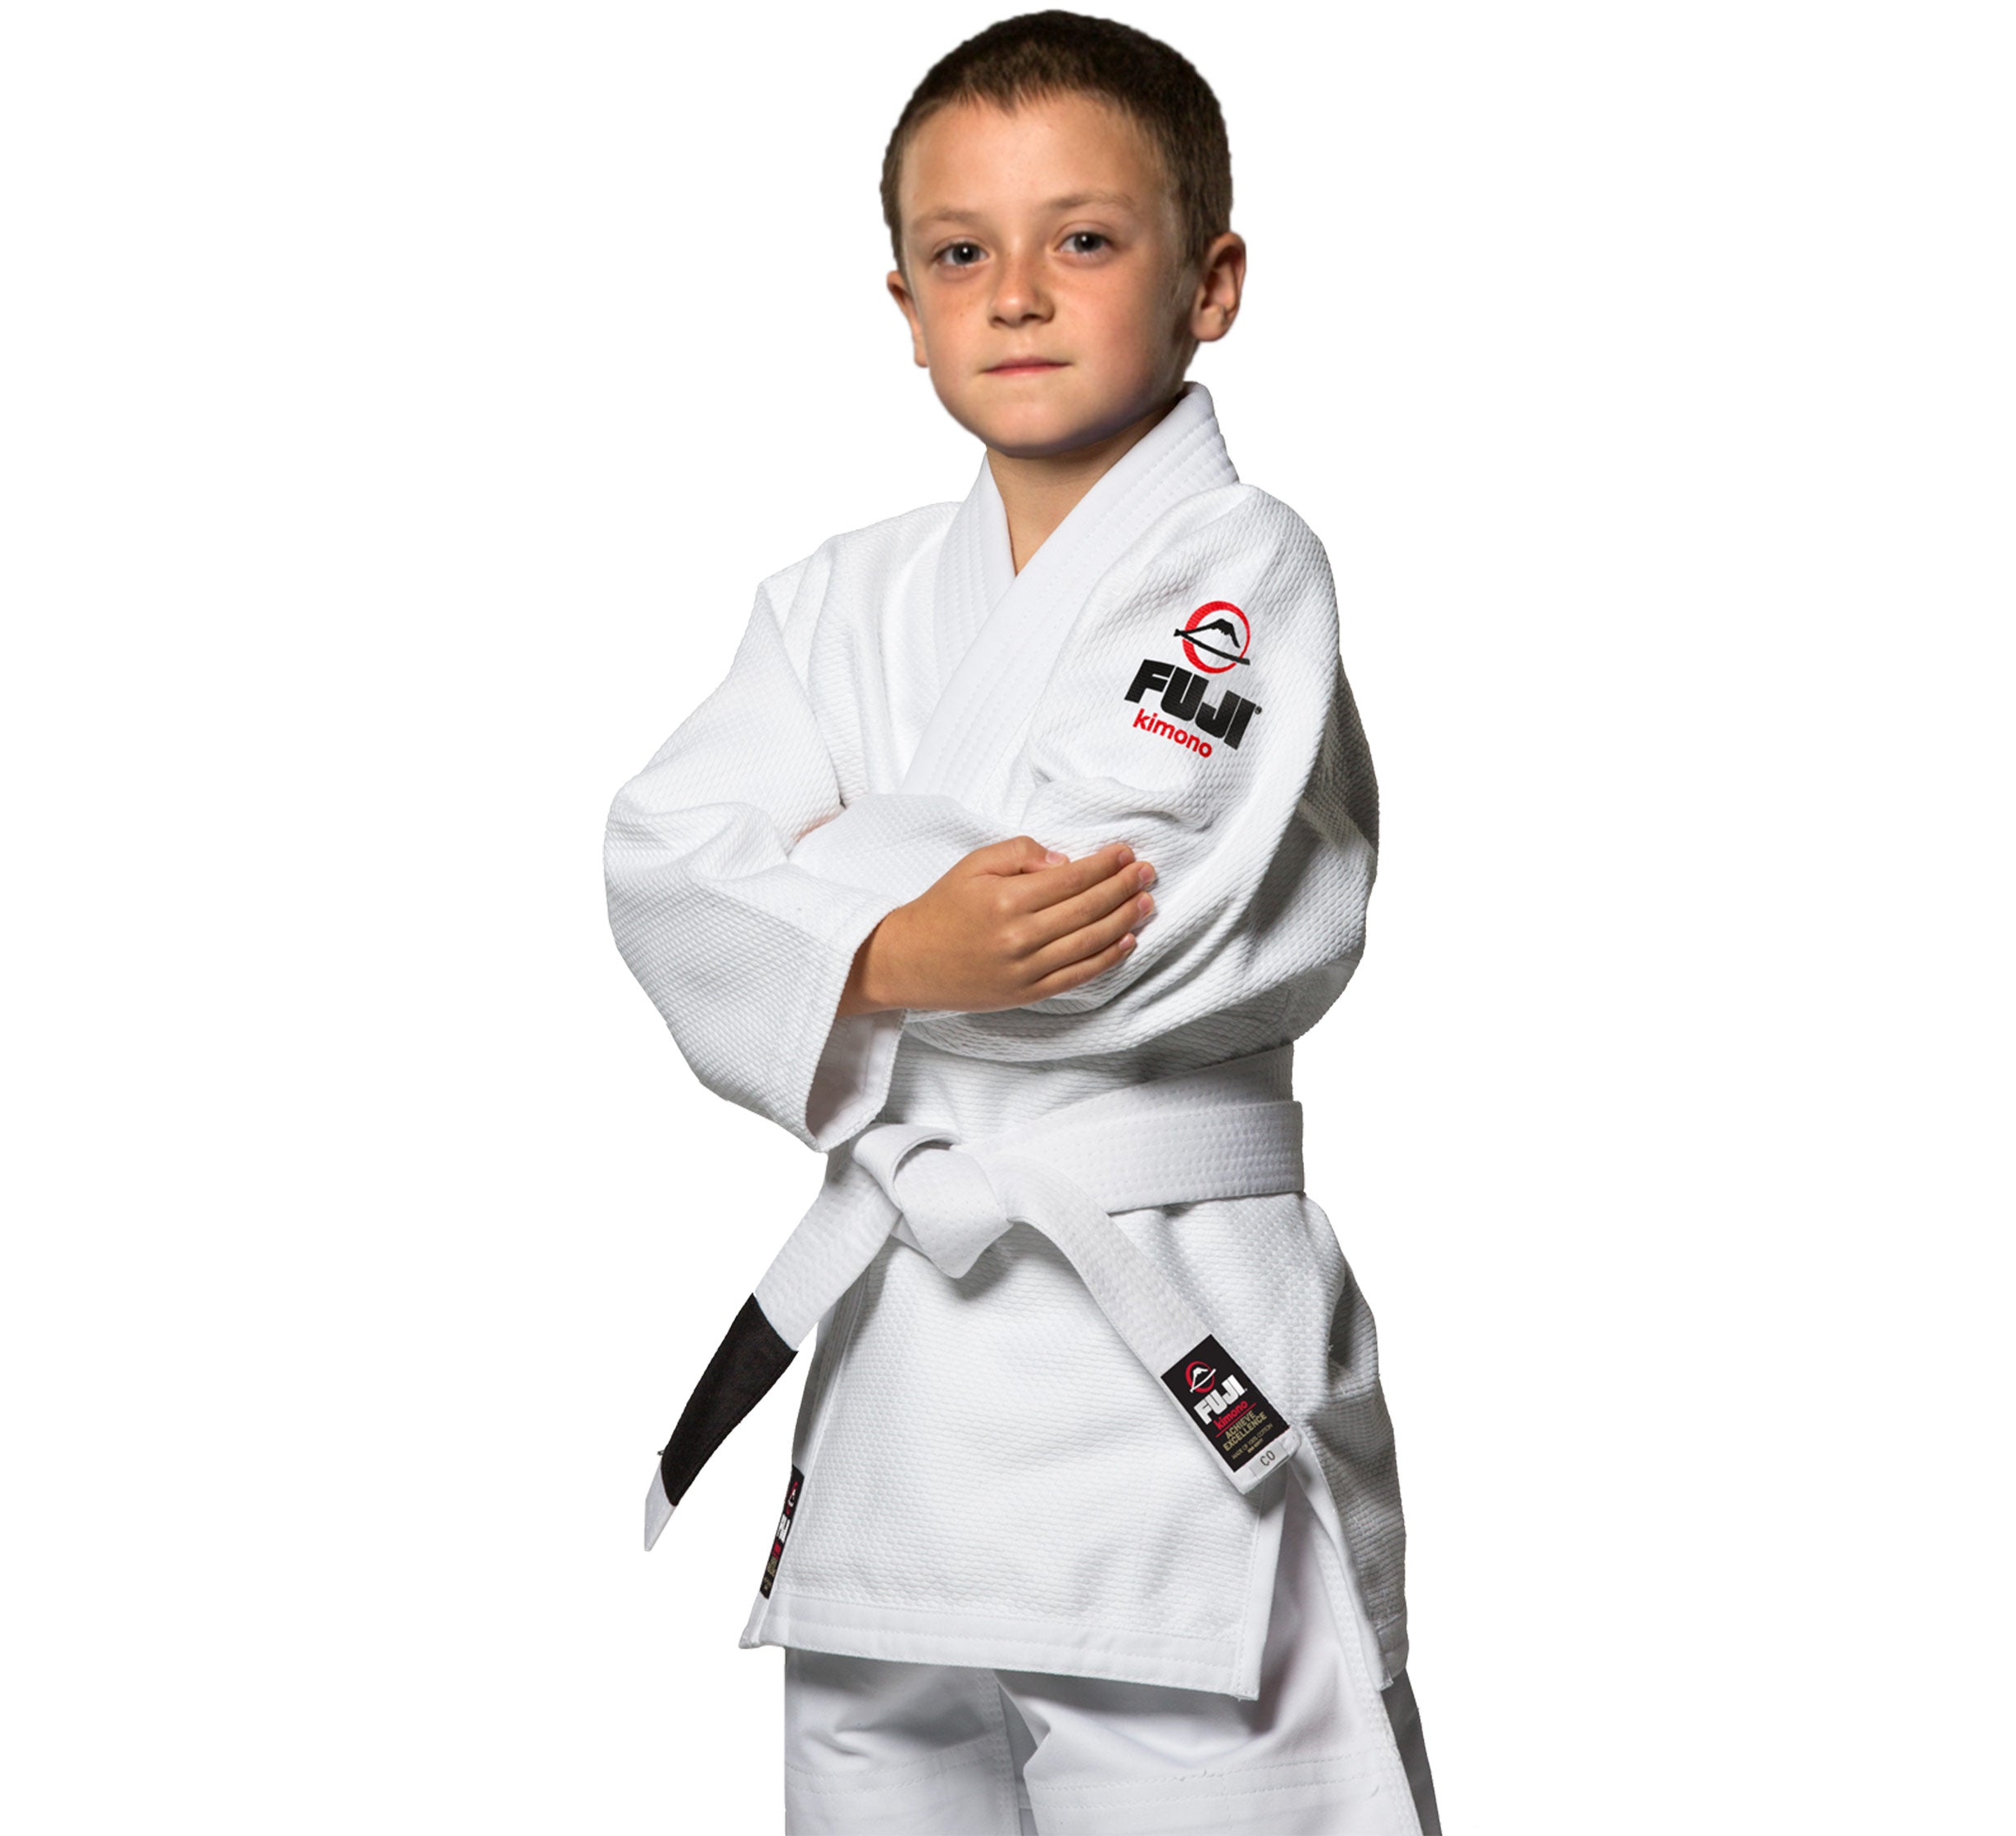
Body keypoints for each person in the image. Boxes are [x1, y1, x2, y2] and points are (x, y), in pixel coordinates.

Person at [603, 13, 1441, 1833]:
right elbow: (662, 862)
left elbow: (1096, 906)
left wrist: (820, 917)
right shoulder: (835, 597)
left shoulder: (1242, 568)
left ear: (1209, 281)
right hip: (906, 1359)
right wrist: (904, 946)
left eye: (1085, 240)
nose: (1016, 296)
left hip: (1164, 1341)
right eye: (960, 252)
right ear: (901, 303)